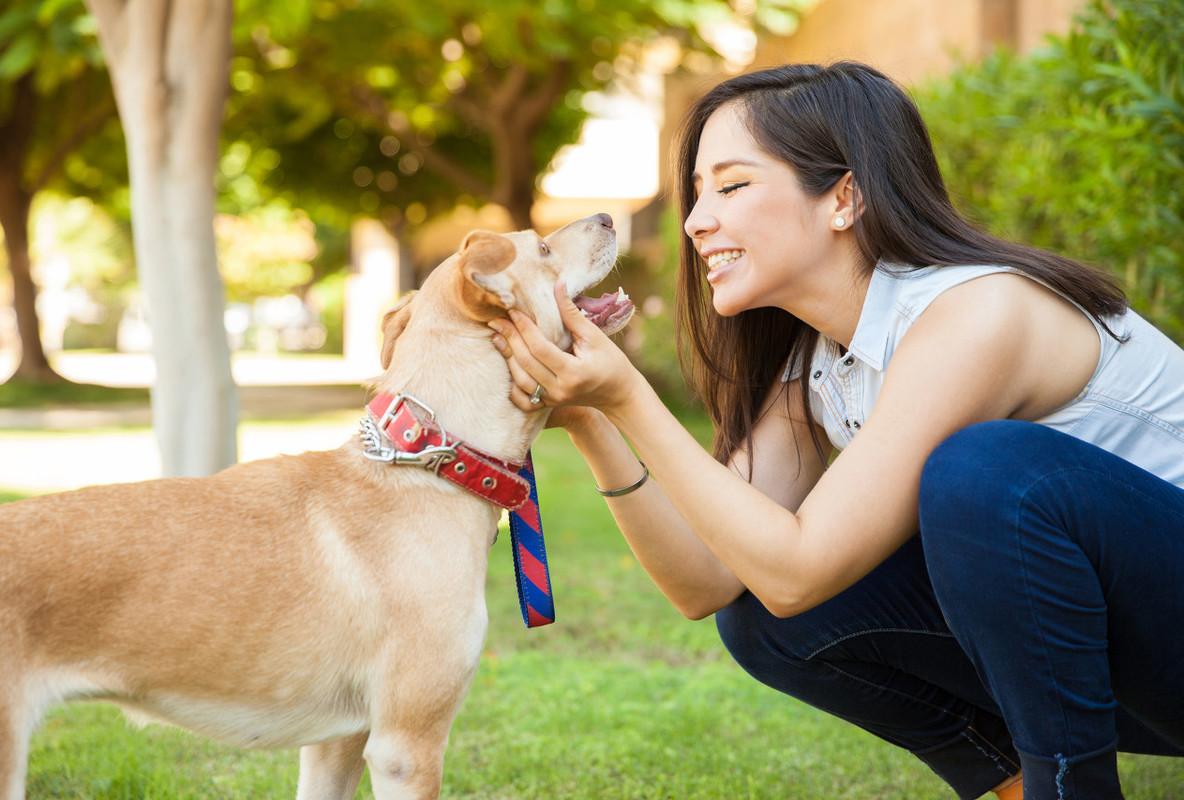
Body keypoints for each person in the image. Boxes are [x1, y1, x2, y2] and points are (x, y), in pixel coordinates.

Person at [486, 61, 1184, 800]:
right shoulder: (818, 359)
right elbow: (711, 581)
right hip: (1126, 653)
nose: (695, 222)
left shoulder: (977, 316)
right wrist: (595, 417)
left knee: (983, 474)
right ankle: (1011, 780)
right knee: (757, 614)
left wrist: (630, 396)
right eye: (696, 195)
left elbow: (798, 567)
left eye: (730, 186)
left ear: (845, 197)